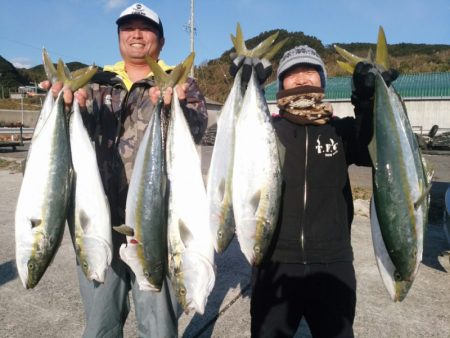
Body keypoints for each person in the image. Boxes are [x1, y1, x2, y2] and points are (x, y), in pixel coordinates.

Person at [47, 3, 207, 337]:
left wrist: (173, 106)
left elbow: (193, 133)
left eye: (145, 28)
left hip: (156, 220)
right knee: (101, 323)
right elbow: (79, 134)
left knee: (159, 325)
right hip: (97, 219)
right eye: (127, 28)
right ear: (119, 37)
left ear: (160, 41)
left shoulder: (184, 85)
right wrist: (63, 107)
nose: (136, 34)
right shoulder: (96, 84)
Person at [235, 45, 397, 337]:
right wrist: (244, 90)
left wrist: (367, 98)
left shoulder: (341, 131)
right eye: (292, 73)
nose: (301, 79)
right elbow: (232, 146)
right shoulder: (266, 131)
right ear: (281, 82)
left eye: (309, 71)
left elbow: (372, 147)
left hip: (333, 264)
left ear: (322, 80)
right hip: (275, 263)